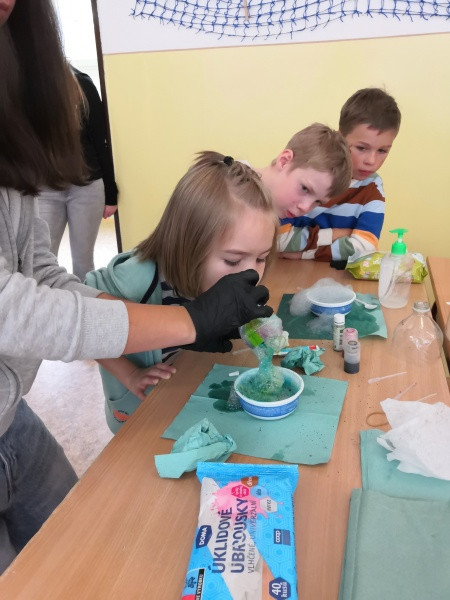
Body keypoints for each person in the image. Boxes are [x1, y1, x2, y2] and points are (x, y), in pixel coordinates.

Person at [0, 0, 271, 573]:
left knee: (85, 552)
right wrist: (188, 323)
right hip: (117, 419)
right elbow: (14, 307)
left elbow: (42, 276)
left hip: (9, 417)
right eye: (233, 258)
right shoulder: (136, 277)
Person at [86, 152, 278, 433]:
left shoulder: (218, 274)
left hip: (179, 393)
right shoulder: (137, 280)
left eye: (261, 258)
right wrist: (130, 374)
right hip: (136, 410)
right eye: (233, 261)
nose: (252, 274)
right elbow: (83, 322)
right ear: (189, 245)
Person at [278, 89, 401, 262]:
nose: (371, 161)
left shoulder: (373, 188)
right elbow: (280, 240)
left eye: (382, 151)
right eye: (361, 148)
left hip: (333, 275)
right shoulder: (312, 175)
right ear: (340, 138)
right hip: (285, 271)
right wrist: (338, 234)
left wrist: (305, 254)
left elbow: (365, 248)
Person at [38, 65, 119, 281]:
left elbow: (101, 144)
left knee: (83, 264)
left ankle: (84, 301)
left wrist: (111, 195)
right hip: (45, 188)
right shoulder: (27, 87)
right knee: (42, 261)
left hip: (87, 187)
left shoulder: (83, 85)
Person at [255, 123, 352, 223]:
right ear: (284, 161)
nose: (305, 208)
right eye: (305, 188)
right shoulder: (242, 193)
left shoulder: (281, 218)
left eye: (318, 201)